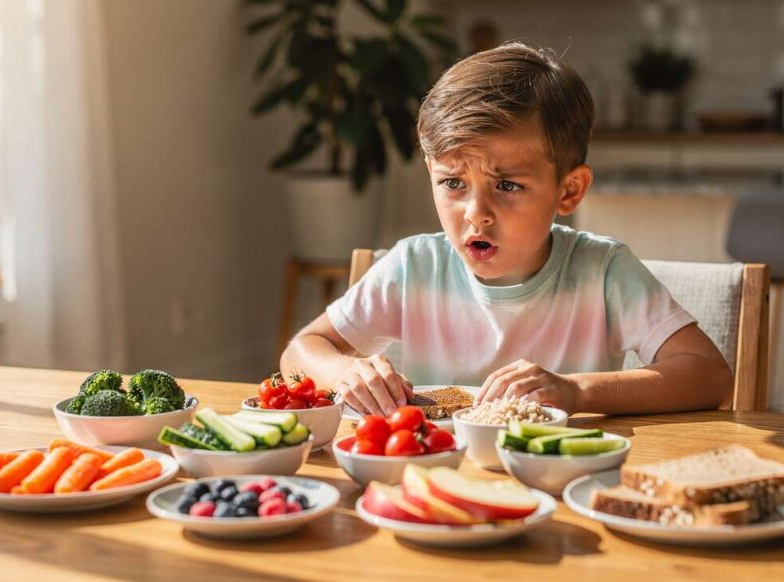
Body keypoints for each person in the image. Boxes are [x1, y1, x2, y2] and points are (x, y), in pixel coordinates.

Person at [280, 42, 732, 417]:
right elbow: (302, 351)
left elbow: (708, 374)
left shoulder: (604, 271)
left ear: (569, 191)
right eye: (453, 182)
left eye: (508, 185)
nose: (477, 214)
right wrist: (343, 372)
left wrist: (576, 392)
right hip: (437, 486)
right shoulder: (413, 266)